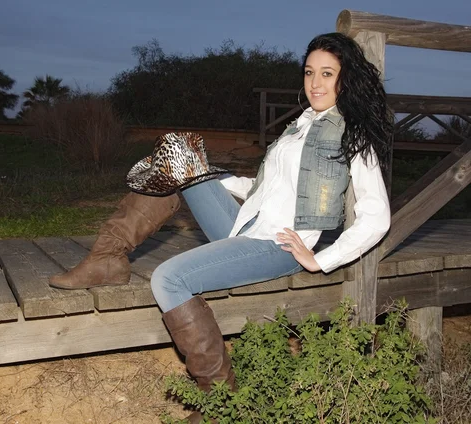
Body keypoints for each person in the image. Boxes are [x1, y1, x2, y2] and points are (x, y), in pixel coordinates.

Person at [49, 32, 393, 423]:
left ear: (344, 80)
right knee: (180, 159)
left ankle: (218, 400)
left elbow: (377, 215)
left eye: (327, 74)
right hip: (247, 224)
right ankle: (108, 257)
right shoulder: (299, 126)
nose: (315, 83)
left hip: (278, 245)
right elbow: (264, 192)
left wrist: (320, 260)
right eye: (310, 72)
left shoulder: (353, 135)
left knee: (168, 279)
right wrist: (211, 177)